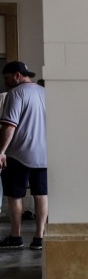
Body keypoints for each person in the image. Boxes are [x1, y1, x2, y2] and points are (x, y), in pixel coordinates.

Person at [0, 61, 47, 250]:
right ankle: (39, 238)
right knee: (41, 194)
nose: (6, 82)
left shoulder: (16, 93)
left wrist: (1, 151)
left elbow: (9, 126)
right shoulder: (44, 93)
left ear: (17, 75)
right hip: (44, 154)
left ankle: (15, 236)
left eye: (7, 77)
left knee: (15, 196)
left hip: (19, 154)